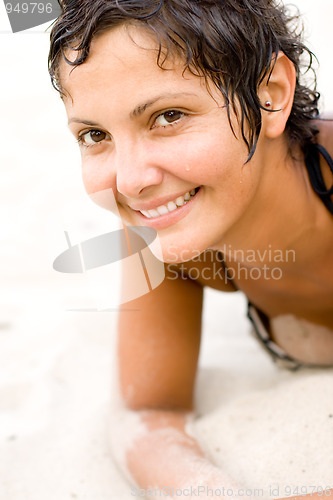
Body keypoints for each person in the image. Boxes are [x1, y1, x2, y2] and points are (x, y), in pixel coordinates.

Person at [48, 0, 333, 497]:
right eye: (95, 135)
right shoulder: (166, 227)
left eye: (168, 116)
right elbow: (147, 411)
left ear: (270, 94)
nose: (132, 180)